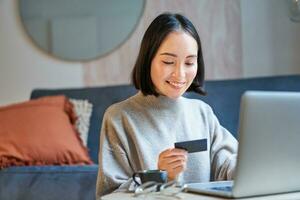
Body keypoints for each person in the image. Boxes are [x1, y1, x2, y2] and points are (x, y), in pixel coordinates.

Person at [96, 12, 238, 198]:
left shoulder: (202, 112)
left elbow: (229, 165)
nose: (180, 74)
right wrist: (159, 176)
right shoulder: (118, 118)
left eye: (189, 62)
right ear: (148, 60)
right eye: (168, 62)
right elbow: (109, 195)